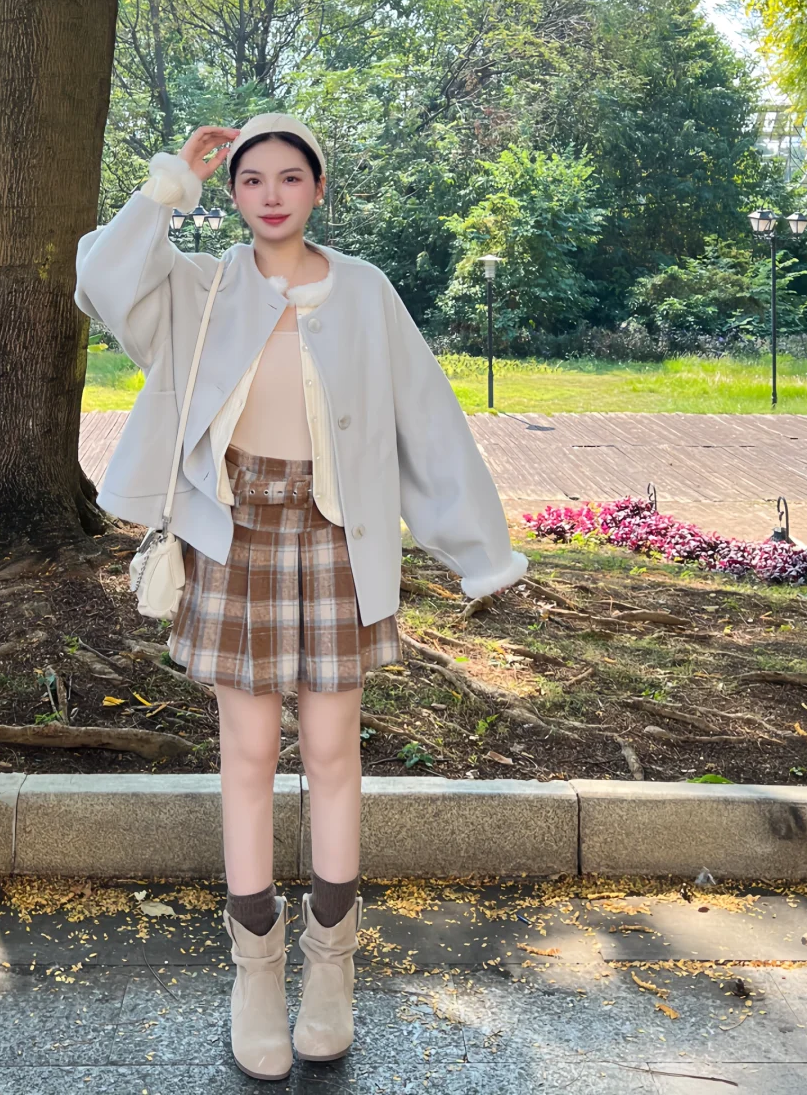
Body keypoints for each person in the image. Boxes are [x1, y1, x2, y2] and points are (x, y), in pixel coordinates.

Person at [73, 113, 527, 1082]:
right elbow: (102, 281)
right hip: (233, 535)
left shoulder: (365, 290)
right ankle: (255, 973)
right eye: (251, 180)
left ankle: (331, 968)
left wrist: (478, 553)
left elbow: (426, 421)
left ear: (319, 188)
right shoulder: (200, 285)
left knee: (331, 752)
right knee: (244, 754)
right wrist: (169, 185)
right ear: (232, 194)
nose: (271, 195)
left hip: (334, 540)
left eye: (290, 177)